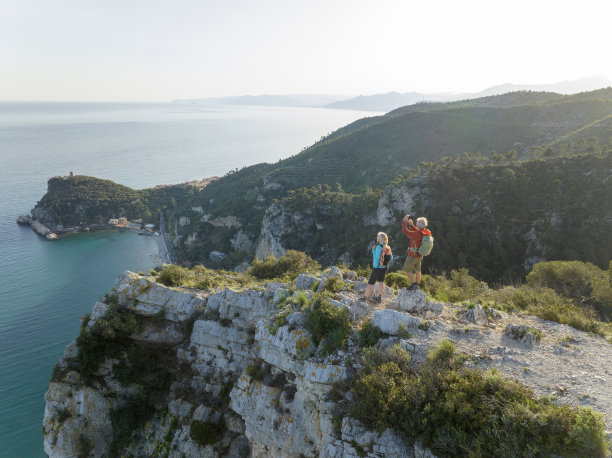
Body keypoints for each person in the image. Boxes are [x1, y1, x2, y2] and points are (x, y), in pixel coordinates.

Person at [360, 232, 393, 303]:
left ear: (380, 239)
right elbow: (391, 258)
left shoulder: (378, 247)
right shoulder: (388, 247)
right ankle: (379, 297)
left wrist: (373, 251)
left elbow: (377, 258)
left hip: (377, 268)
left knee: (370, 283)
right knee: (381, 283)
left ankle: (365, 298)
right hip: (384, 267)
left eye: (378, 237)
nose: (377, 238)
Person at [402, 214, 430, 291]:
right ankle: (417, 284)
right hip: (419, 255)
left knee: (407, 269)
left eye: (417, 223)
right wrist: (411, 225)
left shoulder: (417, 234)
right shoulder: (424, 232)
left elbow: (405, 231)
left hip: (412, 256)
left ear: (419, 225)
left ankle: (414, 284)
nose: (416, 223)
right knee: (418, 270)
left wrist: (404, 221)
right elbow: (417, 231)